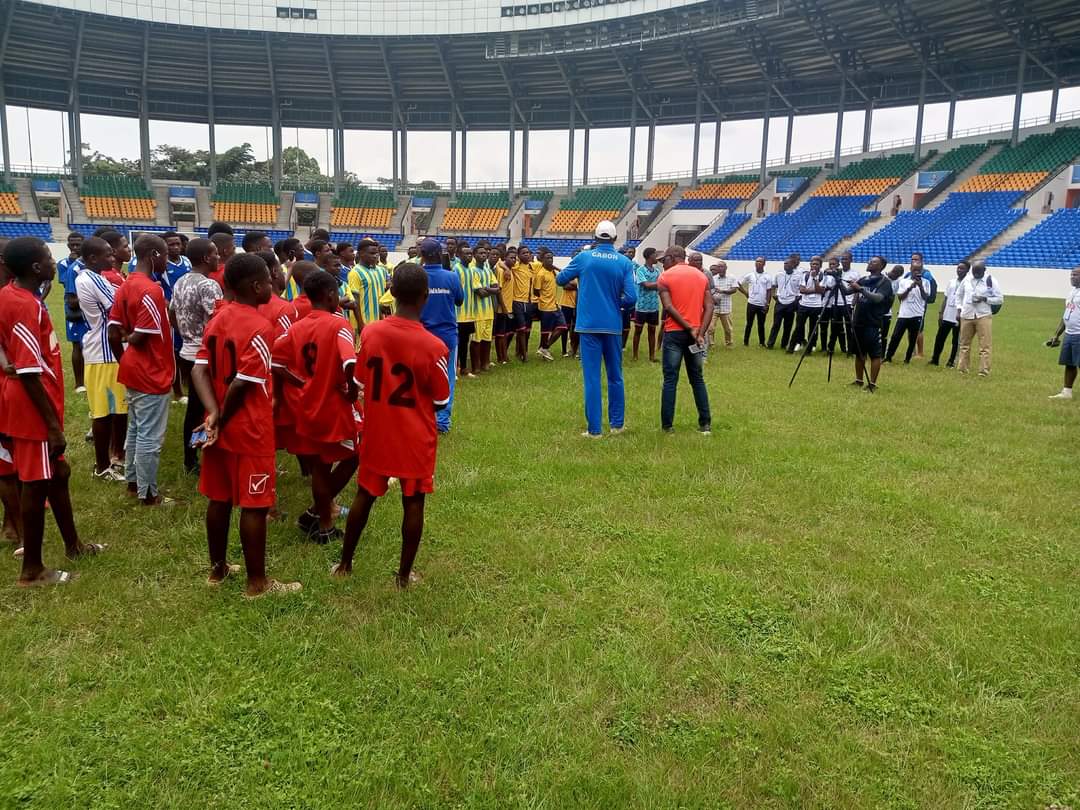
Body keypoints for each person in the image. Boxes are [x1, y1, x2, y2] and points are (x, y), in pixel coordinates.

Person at [333, 263, 451, 587]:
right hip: (415, 437)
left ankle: (344, 563)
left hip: (378, 432)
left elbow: (358, 380)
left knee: (364, 495)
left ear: (392, 292)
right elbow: (441, 402)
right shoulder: (435, 347)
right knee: (413, 502)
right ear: (425, 297)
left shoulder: (370, 332)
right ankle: (403, 576)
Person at [190, 253, 301, 597]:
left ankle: (218, 570)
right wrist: (222, 416)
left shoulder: (219, 318)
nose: (272, 284)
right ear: (256, 286)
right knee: (255, 504)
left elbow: (199, 370)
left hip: (218, 427)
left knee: (219, 499)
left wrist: (211, 414)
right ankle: (258, 584)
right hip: (249, 428)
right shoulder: (260, 327)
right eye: (269, 279)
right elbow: (242, 382)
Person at [0, 237, 106, 586]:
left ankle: (73, 545)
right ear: (35, 267)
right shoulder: (23, 305)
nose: (53, 262)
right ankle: (32, 569)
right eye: (48, 258)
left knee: (58, 475)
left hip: (36, 406)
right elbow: (29, 371)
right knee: (35, 484)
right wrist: (52, 427)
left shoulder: (20, 297)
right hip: (32, 410)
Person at [271, 270, 360, 543]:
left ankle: (320, 523)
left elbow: (275, 361)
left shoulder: (297, 327)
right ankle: (318, 516)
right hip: (332, 407)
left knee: (320, 467)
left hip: (306, 405)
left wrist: (299, 382)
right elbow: (350, 362)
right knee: (355, 456)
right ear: (332, 295)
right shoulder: (338, 324)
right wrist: (351, 391)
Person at [107, 235, 175, 506]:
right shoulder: (150, 290)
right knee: (150, 436)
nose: (167, 260)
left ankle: (134, 484)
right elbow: (141, 335)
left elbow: (114, 330)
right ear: (153, 255)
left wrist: (124, 356)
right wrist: (130, 339)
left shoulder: (125, 285)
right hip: (151, 371)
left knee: (135, 429)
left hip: (134, 368)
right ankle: (149, 494)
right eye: (165, 255)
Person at [555, 220, 637, 437]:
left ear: (595, 238)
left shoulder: (584, 257)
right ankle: (617, 425)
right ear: (615, 238)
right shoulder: (624, 262)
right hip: (613, 325)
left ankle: (594, 430)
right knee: (615, 376)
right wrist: (616, 304)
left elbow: (560, 279)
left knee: (592, 378)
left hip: (588, 325)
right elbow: (631, 298)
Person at [75, 236, 128, 481]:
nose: (112, 257)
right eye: (107, 254)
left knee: (117, 410)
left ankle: (115, 458)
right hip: (104, 354)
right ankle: (102, 466)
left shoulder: (90, 277)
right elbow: (117, 306)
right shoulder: (93, 279)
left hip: (103, 353)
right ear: (93, 258)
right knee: (103, 413)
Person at [168, 237, 222, 473]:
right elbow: (219, 322)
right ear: (205, 258)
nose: (218, 257)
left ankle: (191, 456)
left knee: (194, 407)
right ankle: (198, 455)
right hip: (205, 354)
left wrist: (185, 334)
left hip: (187, 351)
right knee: (211, 406)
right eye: (215, 254)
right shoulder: (208, 285)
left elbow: (171, 312)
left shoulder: (181, 280)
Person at [657, 246, 713, 434]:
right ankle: (705, 423)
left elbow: (669, 307)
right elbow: (709, 307)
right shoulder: (701, 276)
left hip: (674, 333)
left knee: (670, 380)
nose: (663, 263)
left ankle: (667, 426)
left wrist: (688, 327)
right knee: (697, 379)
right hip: (695, 334)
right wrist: (700, 332)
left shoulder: (665, 277)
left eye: (664, 259)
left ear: (672, 258)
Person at [418, 238, 464, 433]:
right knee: (447, 379)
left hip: (421, 336)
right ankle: (442, 422)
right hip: (446, 336)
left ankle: (422, 418)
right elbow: (460, 301)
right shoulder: (451, 277)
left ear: (422, 255)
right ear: (440, 254)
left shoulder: (417, 276)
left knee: (421, 378)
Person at [846, 256, 894, 393]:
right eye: (870, 261)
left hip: (873, 322)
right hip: (859, 321)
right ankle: (859, 380)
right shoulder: (864, 279)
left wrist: (860, 289)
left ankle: (872, 383)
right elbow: (847, 291)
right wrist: (838, 281)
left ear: (881, 266)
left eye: (873, 262)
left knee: (874, 354)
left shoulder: (885, 282)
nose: (869, 263)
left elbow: (878, 298)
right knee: (859, 353)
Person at [955, 262, 1003, 376]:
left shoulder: (990, 281)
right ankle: (962, 369)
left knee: (985, 345)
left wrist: (985, 299)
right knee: (964, 344)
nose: (976, 274)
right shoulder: (967, 279)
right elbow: (958, 295)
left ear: (984, 270)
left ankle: (983, 371)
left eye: (978, 272)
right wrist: (959, 308)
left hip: (983, 315)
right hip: (967, 315)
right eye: (974, 272)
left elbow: (1000, 299)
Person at [57, 231, 87, 392]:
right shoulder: (64, 264)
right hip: (73, 308)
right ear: (68, 245)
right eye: (72, 244)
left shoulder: (90, 263)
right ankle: (79, 383)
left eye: (78, 244)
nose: (75, 247)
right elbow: (67, 284)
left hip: (89, 308)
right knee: (77, 345)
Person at [885, 264, 931, 364]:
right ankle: (888, 357)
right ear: (910, 270)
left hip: (917, 314)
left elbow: (926, 297)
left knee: (912, 338)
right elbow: (900, 297)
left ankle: (907, 359)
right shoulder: (904, 281)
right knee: (896, 336)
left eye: (919, 271)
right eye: (914, 270)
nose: (916, 273)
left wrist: (920, 286)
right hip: (904, 314)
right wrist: (910, 287)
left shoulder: (926, 282)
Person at [1047, 266, 1080, 399]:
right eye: (1072, 275)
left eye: (1076, 275)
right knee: (1069, 363)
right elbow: (1066, 313)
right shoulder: (1072, 292)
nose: (1072, 277)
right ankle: (1067, 392)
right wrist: (1057, 334)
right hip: (1069, 333)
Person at [929, 261, 969, 367]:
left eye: (962, 268)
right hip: (947, 314)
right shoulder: (951, 282)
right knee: (940, 338)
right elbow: (946, 298)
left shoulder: (968, 284)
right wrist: (941, 313)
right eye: (958, 268)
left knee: (956, 340)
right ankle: (935, 359)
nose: (959, 270)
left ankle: (951, 361)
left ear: (967, 270)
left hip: (959, 316)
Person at [348, 237, 388, 333]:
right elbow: (355, 302)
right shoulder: (355, 273)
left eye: (376, 253)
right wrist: (361, 324)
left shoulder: (381, 271)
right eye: (372, 253)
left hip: (378, 323)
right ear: (361, 254)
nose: (375, 256)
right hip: (363, 324)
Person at [534, 250, 568, 361]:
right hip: (545, 306)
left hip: (555, 305)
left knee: (563, 327)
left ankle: (545, 347)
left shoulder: (552, 271)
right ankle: (544, 352)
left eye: (551, 258)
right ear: (542, 260)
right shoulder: (540, 274)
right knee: (545, 331)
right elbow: (536, 291)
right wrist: (544, 298)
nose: (550, 260)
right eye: (547, 258)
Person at [471, 245, 499, 372]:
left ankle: (485, 363)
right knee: (476, 340)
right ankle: (476, 366)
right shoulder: (473, 271)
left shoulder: (488, 271)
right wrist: (490, 290)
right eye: (480, 253)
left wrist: (487, 288)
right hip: (477, 313)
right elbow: (480, 293)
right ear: (474, 255)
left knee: (487, 339)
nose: (483, 255)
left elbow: (497, 288)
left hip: (489, 312)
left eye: (484, 253)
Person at [453, 243, 479, 377]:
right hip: (459, 314)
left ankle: (463, 368)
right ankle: (455, 368)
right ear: (459, 255)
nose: (469, 256)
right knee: (457, 342)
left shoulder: (472, 270)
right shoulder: (456, 269)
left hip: (470, 313)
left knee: (465, 342)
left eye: (470, 254)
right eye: (466, 254)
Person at [791, 257, 826, 354]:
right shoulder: (805, 275)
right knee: (798, 326)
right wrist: (815, 290)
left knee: (813, 328)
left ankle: (809, 349)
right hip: (804, 305)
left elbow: (821, 291)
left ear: (820, 266)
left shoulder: (823, 276)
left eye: (816, 264)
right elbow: (802, 290)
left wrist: (815, 279)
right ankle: (792, 346)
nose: (814, 266)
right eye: (812, 264)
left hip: (816, 306)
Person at [632, 247, 661, 362]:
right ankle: (635, 355)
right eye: (655, 255)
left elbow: (653, 285)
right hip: (642, 306)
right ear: (649, 256)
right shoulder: (640, 270)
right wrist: (659, 284)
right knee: (638, 331)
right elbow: (646, 285)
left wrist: (655, 284)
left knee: (652, 331)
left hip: (653, 306)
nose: (657, 258)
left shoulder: (657, 271)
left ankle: (652, 356)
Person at [766, 254, 801, 350]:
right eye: (784, 264)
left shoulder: (798, 275)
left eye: (788, 264)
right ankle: (770, 344)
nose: (785, 265)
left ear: (793, 265)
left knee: (788, 326)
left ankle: (784, 344)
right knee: (776, 324)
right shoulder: (779, 274)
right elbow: (773, 285)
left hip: (791, 303)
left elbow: (800, 289)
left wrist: (795, 301)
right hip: (780, 302)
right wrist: (774, 295)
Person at [738, 257, 773, 347]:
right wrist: (746, 293)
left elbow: (769, 291)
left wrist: (767, 304)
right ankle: (745, 342)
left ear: (764, 264)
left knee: (761, 324)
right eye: (757, 261)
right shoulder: (750, 275)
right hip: (751, 303)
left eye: (760, 261)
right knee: (749, 323)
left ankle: (762, 342)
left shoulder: (767, 276)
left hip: (762, 304)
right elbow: (738, 283)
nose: (758, 263)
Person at [493, 246, 515, 365]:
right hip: (503, 308)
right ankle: (500, 357)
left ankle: (504, 356)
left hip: (509, 306)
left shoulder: (511, 269)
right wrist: (504, 308)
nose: (514, 260)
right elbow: (499, 291)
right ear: (505, 258)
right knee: (500, 334)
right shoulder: (501, 271)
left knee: (504, 333)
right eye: (511, 257)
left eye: (514, 258)